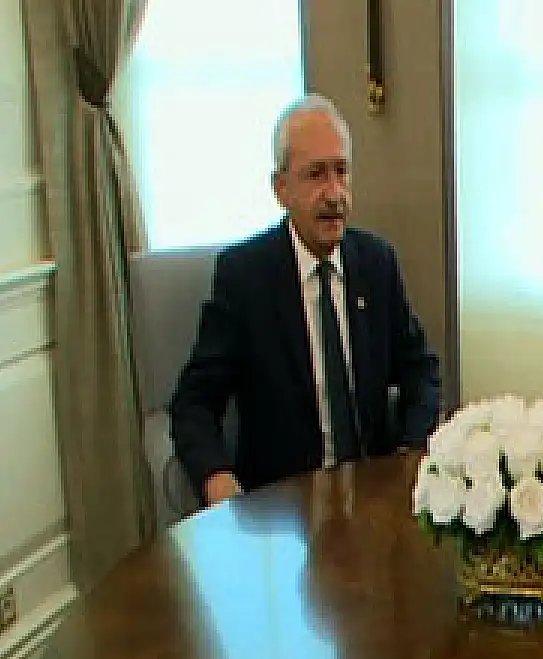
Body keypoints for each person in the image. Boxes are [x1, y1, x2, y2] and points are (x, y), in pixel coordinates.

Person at [171, 94, 441, 506]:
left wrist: (412, 452)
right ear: (281, 189)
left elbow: (420, 370)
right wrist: (217, 478)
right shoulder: (244, 277)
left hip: (372, 496)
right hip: (284, 507)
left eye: (341, 171)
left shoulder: (376, 263)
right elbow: (194, 402)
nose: (334, 194)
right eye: (316, 175)